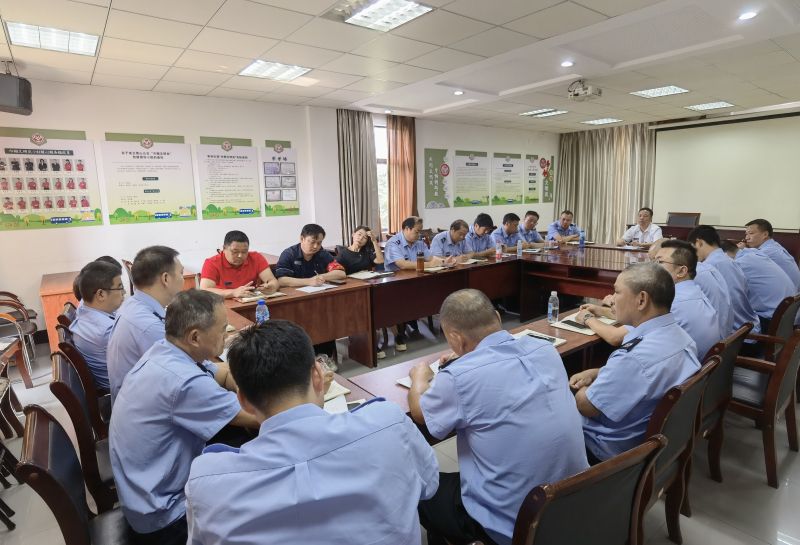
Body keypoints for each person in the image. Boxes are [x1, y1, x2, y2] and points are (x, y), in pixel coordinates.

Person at [185, 320, 439, 545]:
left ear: (243, 401)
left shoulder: (208, 481)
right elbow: (429, 486)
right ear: (318, 375)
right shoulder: (389, 423)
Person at [409, 289, 588, 545]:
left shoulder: (458, 378)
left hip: (512, 523)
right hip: (572, 501)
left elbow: (421, 414)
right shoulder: (544, 349)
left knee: (422, 491)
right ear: (497, 317)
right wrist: (464, 359)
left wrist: (419, 378)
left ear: (455, 338)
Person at [110, 290, 258, 545]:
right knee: (263, 485)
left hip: (142, 491)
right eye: (222, 329)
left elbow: (222, 373)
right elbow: (257, 417)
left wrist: (241, 384)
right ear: (195, 337)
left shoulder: (166, 350)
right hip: (164, 516)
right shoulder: (184, 382)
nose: (227, 335)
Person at [570, 262, 700, 463]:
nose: (612, 299)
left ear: (641, 300)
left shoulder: (635, 358)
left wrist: (583, 389)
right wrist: (598, 373)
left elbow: (586, 406)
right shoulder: (685, 339)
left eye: (617, 292)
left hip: (606, 451)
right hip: (654, 442)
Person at [106, 246, 184, 401]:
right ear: (166, 279)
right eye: (181, 273)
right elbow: (187, 371)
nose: (183, 279)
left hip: (134, 397)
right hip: (143, 404)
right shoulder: (148, 326)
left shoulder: (133, 303)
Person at [68, 261, 125, 391]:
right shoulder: (107, 330)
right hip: (121, 391)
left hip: (110, 383)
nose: (124, 292)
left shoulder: (84, 309)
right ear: (101, 294)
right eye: (120, 287)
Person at [721, 240, 795, 332]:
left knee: (725, 320)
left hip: (771, 321)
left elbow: (733, 298)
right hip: (786, 316)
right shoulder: (754, 253)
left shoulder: (739, 264)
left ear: (724, 255)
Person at [199, 230, 278, 299]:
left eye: (244, 252)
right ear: (224, 248)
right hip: (225, 303)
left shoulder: (256, 258)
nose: (240, 255)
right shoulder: (212, 263)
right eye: (235, 252)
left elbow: (272, 280)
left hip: (250, 301)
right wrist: (233, 292)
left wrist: (271, 287)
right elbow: (204, 291)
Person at [275, 224, 346, 287]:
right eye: (312, 242)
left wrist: (320, 277)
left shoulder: (322, 253)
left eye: (319, 243)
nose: (316, 246)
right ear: (302, 239)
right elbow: (281, 280)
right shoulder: (289, 254)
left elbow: (341, 273)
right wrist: (309, 281)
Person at [738, 219, 800, 289]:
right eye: (746, 234)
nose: (746, 238)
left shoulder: (769, 251)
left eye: (751, 233)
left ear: (765, 234)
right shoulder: (772, 246)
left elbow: (738, 265)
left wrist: (740, 250)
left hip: (790, 294)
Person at [384, 216, 449, 271]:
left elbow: (430, 258)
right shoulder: (393, 243)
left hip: (415, 276)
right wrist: (430, 264)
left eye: (420, 232)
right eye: (417, 232)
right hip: (397, 279)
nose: (419, 235)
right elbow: (402, 264)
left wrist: (444, 261)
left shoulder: (419, 242)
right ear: (407, 229)